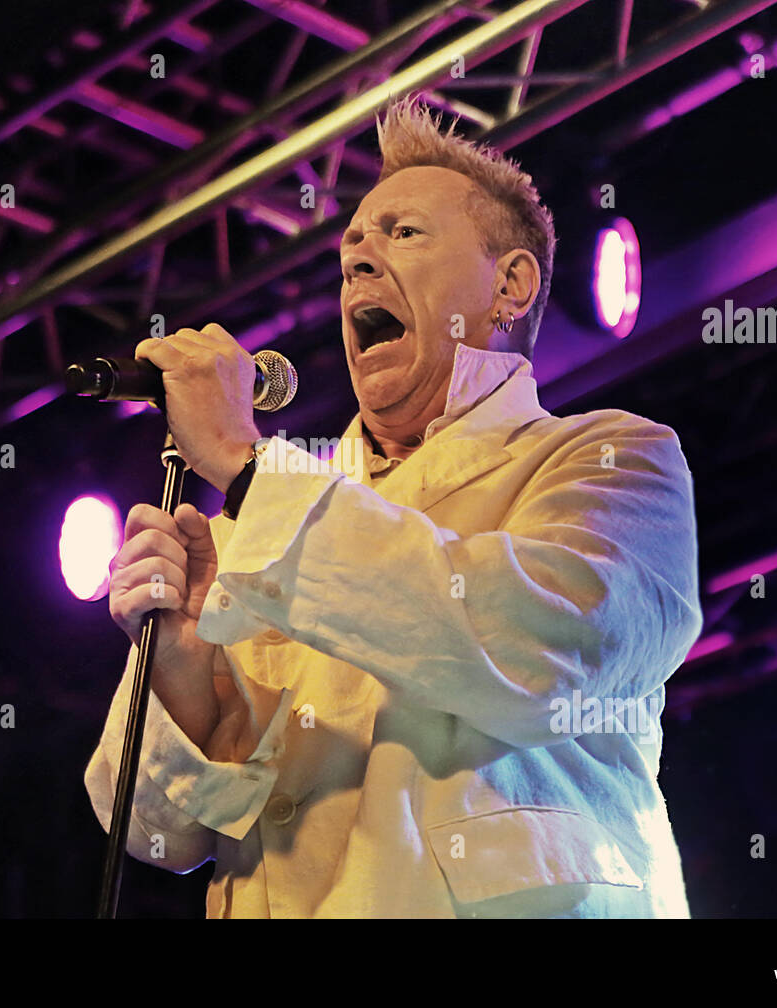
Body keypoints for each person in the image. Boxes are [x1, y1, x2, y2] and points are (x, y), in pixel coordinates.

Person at [85, 95, 702, 918]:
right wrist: (183, 675)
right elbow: (153, 835)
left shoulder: (607, 459)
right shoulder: (261, 520)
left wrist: (242, 463)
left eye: (402, 234)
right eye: (350, 254)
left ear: (510, 285)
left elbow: (541, 653)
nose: (359, 265)